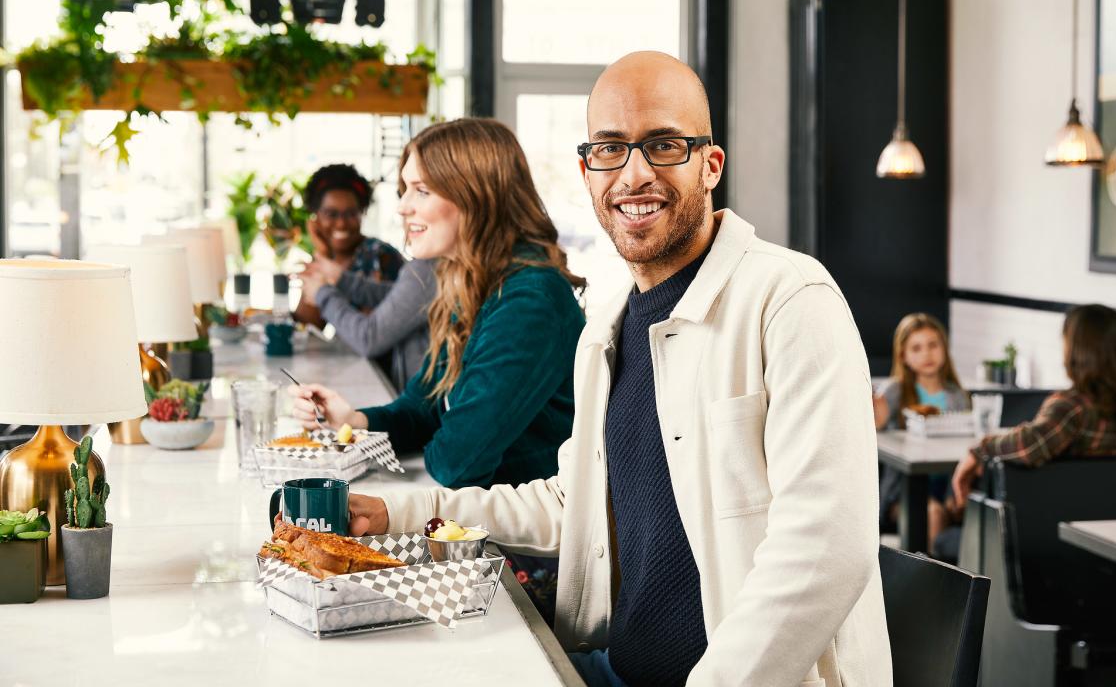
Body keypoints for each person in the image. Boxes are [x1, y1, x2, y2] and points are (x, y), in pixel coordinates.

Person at [336, 52, 890, 687]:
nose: (634, 174)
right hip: (616, 668)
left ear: (710, 165)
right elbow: (572, 498)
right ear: (587, 170)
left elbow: (825, 550)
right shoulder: (609, 323)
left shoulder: (789, 298)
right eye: (610, 150)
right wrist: (398, 512)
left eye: (663, 145)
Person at [290, 118, 587, 489]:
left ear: (476, 196)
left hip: (521, 538)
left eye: (421, 190)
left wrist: (443, 429)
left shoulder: (528, 301)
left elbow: (456, 463)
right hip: (478, 516)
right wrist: (352, 420)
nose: (402, 207)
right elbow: (421, 405)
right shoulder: (468, 280)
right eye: (405, 189)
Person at [951, 303, 1116, 507]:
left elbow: (1029, 445)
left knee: (946, 532)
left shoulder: (1071, 407)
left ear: (1077, 352)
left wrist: (979, 450)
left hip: (1058, 528)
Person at [874, 312, 970, 548]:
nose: (926, 353)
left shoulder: (957, 396)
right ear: (903, 356)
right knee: (933, 514)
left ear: (944, 349)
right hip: (904, 491)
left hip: (948, 485)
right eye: (916, 348)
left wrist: (953, 496)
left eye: (933, 345)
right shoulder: (895, 392)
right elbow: (875, 422)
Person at [297, 248, 436, 390]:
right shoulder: (433, 267)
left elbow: (369, 338)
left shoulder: (425, 270)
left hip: (422, 405)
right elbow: (403, 296)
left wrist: (323, 294)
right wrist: (341, 279)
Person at [293, 163, 404, 326]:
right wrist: (322, 253)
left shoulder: (380, 256)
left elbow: (373, 334)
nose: (341, 224)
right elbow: (307, 326)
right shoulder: (326, 257)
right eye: (331, 214)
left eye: (351, 213)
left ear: (362, 213)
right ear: (315, 216)